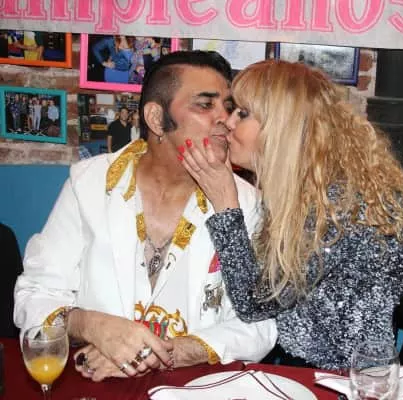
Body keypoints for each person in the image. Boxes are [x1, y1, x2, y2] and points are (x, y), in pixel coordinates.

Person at [179, 59, 403, 386]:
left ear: (280, 128)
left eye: (242, 113)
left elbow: (256, 303)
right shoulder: (301, 185)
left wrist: (224, 201)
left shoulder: (335, 206)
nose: (228, 122)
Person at [14, 51, 277, 383]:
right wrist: (92, 325)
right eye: (205, 105)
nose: (225, 119)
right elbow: (34, 295)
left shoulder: (244, 203)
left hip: (195, 385)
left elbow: (261, 326)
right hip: (97, 382)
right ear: (156, 118)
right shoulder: (91, 184)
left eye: (227, 106)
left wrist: (163, 353)